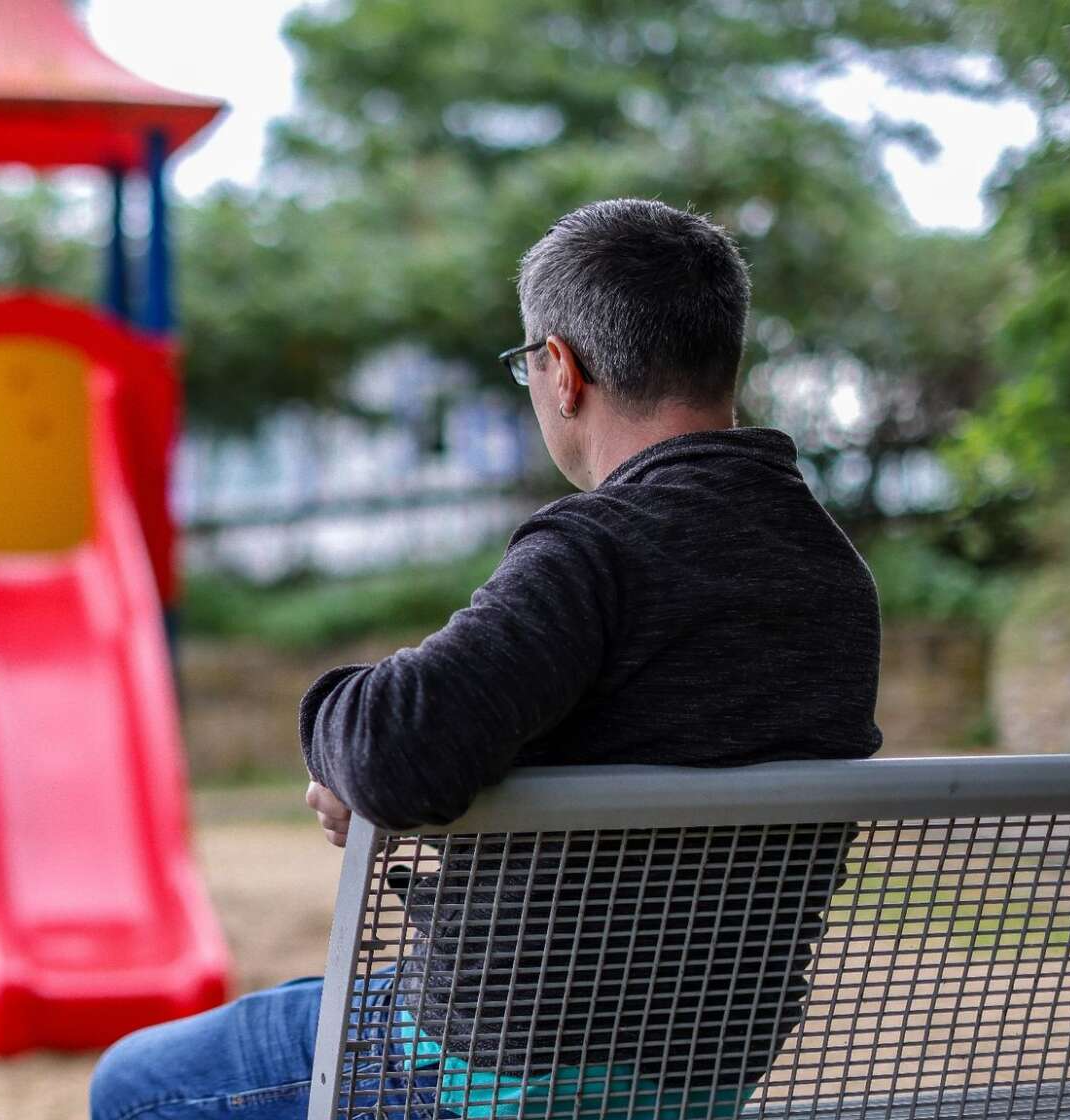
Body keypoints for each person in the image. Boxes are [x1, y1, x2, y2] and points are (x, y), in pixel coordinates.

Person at [89, 198, 882, 1120]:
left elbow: (393, 750)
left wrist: (338, 732)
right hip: (704, 1072)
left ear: (562, 370)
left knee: (138, 1083)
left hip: (503, 1065)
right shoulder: (835, 575)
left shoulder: (601, 548)